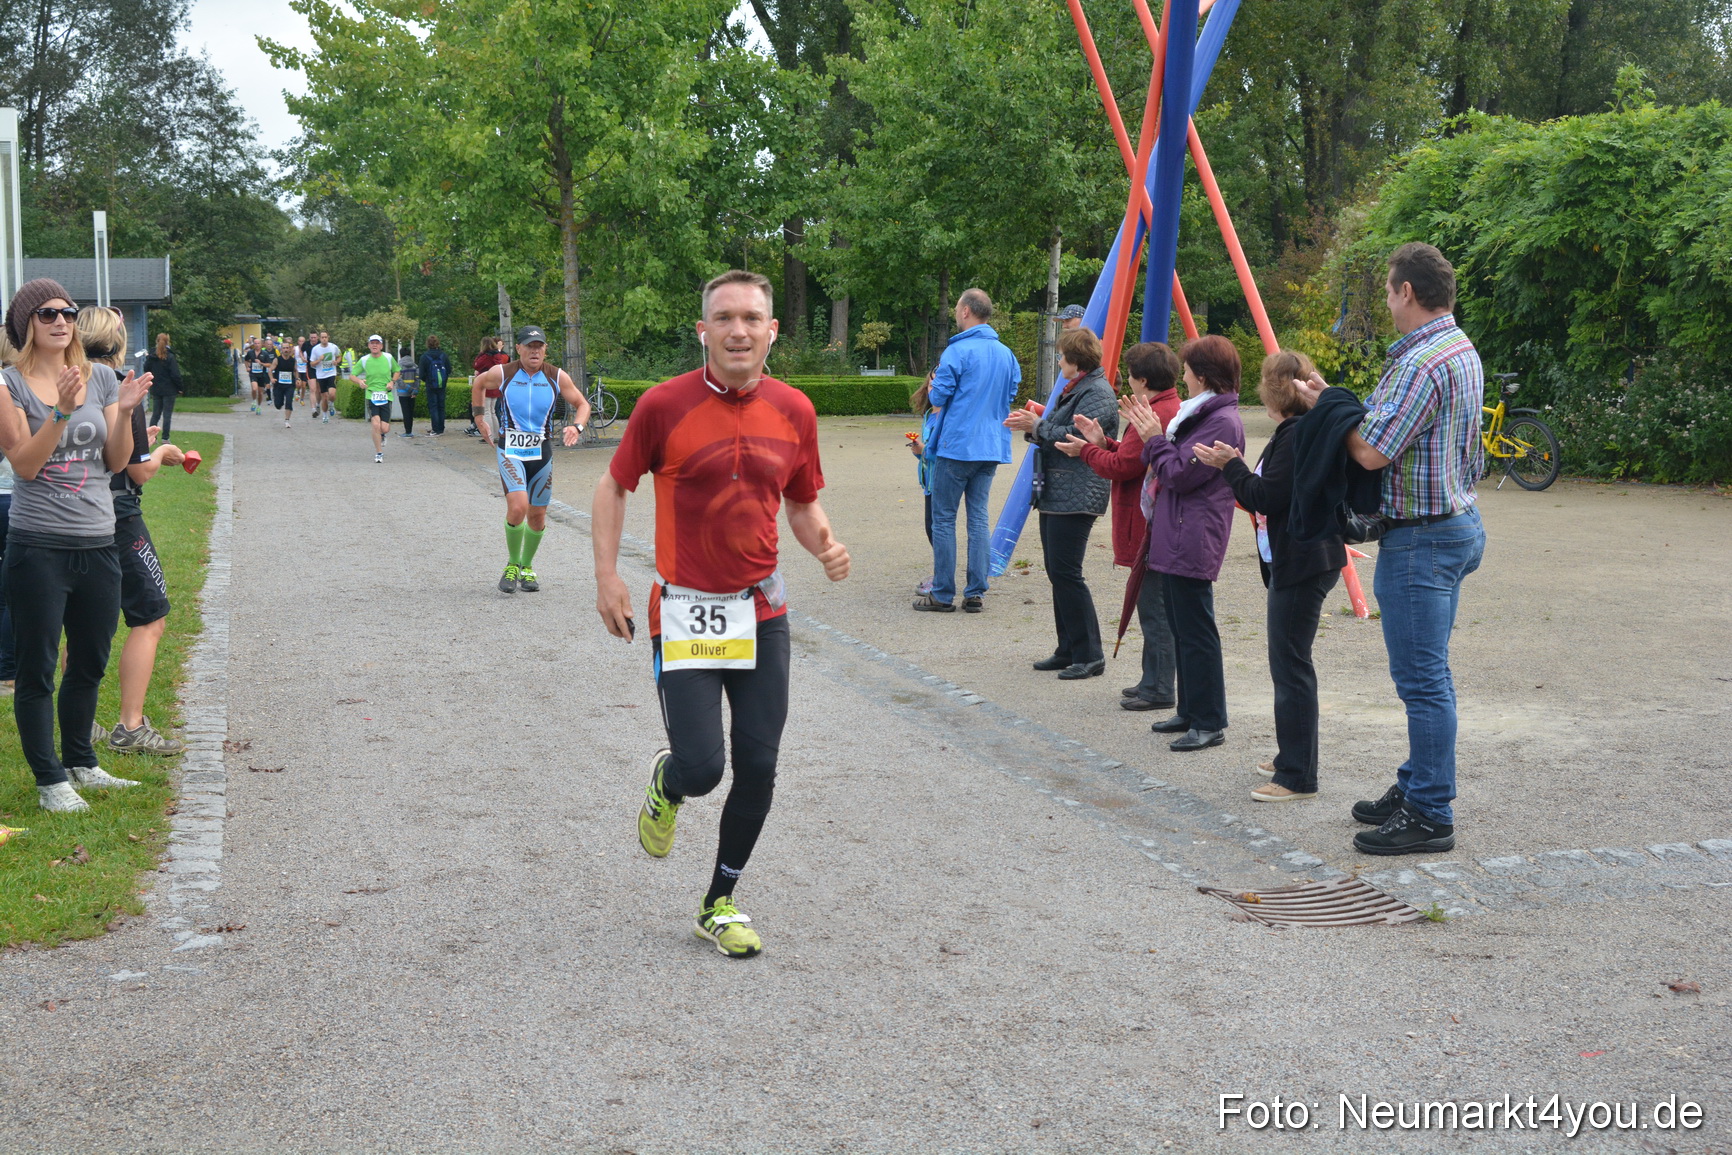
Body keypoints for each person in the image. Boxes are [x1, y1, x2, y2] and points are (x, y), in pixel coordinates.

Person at [593, 269, 850, 960]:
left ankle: (719, 900)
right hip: (686, 611)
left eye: (752, 317)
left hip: (763, 611)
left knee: (759, 765)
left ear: (772, 330)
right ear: (703, 329)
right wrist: (607, 577)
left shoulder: (795, 409)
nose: (739, 329)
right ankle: (669, 779)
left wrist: (823, 541)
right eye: (725, 317)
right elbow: (613, 487)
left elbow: (799, 502)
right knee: (705, 767)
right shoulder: (661, 405)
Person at [1295, 242, 1486, 855]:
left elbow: (1373, 451)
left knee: (1423, 681)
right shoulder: (1459, 349)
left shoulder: (1419, 363)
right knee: (1432, 675)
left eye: (1386, 289)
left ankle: (1431, 812)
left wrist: (1327, 408)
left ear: (1407, 291)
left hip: (1421, 541)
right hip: (1455, 524)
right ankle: (1418, 784)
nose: (1385, 298)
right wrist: (1339, 400)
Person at [0, 280, 150, 811]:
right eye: (46, 314)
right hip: (38, 546)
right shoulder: (9, 384)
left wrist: (128, 409)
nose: (61, 321)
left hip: (98, 541)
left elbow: (115, 461)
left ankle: (82, 763)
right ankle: (50, 780)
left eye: (67, 312)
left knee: (88, 661)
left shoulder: (102, 377)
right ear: (26, 326)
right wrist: (61, 410)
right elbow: (24, 464)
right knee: (37, 668)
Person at [1195, 351, 1344, 801]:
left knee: (1290, 665)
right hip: (1305, 557)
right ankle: (1291, 757)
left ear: (1275, 391)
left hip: (1303, 561)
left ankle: (1298, 775)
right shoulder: (1300, 432)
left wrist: (1230, 467)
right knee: (1290, 662)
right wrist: (1238, 465)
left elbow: (1266, 495)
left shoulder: (1296, 435)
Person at [1124, 335, 1246, 752]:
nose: (1184, 377)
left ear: (1203, 375)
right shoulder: (1199, 414)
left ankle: (1210, 720)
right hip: (1176, 529)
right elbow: (1162, 463)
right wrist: (1151, 437)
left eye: (1189, 370)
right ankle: (1191, 710)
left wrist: (1155, 438)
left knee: (1197, 631)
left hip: (1193, 533)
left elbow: (1178, 474)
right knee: (1181, 626)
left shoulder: (1221, 421)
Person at [80, 307, 186, 756]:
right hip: (120, 518)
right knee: (149, 619)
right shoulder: (124, 386)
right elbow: (136, 471)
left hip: (75, 514)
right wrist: (162, 451)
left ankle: (79, 721)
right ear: (118, 341)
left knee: (83, 624)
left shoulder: (68, 384)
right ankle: (130, 725)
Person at [1057, 340, 1183, 710]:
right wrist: (1105, 442)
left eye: (1130, 376)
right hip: (1151, 521)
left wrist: (1087, 450)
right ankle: (1151, 680)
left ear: (1143, 380)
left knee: (1155, 610)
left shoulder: (1157, 412)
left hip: (1149, 524)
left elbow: (1125, 467)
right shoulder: (1160, 406)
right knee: (1151, 607)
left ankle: (1160, 687)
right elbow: (1131, 456)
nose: (1128, 383)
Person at [1005, 326, 1118, 678]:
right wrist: (1035, 425)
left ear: (1075, 360)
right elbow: (1056, 428)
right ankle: (1068, 647)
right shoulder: (1078, 388)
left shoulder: (1096, 391)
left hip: (1079, 491)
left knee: (1068, 573)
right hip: (1059, 490)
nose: (1058, 360)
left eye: (1061, 355)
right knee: (1058, 572)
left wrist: (1038, 425)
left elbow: (1074, 437)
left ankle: (1089, 654)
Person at [913, 288, 1020, 613]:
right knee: (978, 518)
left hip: (957, 446)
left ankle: (943, 594)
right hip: (991, 446)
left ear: (965, 312)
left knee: (944, 519)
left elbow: (937, 398)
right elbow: (1011, 391)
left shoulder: (956, 353)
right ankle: (975, 593)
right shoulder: (1006, 354)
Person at [471, 326, 590, 592]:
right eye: (529, 346)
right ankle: (512, 566)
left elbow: (583, 405)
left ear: (545, 349)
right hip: (510, 449)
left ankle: (526, 567)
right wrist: (479, 417)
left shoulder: (556, 376)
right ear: (519, 349)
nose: (534, 350)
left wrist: (577, 427)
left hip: (541, 452)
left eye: (539, 346)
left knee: (537, 516)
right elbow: (478, 383)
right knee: (518, 507)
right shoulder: (505, 373)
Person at [906, 371, 938, 596]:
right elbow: (927, 452)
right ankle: (940, 575)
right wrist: (919, 450)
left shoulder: (948, 416)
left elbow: (945, 452)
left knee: (938, 530)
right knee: (931, 529)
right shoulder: (929, 415)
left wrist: (925, 451)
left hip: (942, 481)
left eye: (939, 384)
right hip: (928, 481)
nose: (933, 389)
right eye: (930, 385)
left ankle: (941, 578)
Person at [353, 335, 397, 462]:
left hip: (386, 395)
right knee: (375, 424)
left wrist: (392, 382)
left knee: (384, 428)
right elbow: (352, 375)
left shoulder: (388, 358)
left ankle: (382, 435)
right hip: (371, 395)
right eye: (372, 343)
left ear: (381, 346)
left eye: (377, 343)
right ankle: (379, 453)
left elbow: (397, 371)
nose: (374, 345)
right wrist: (360, 381)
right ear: (368, 345)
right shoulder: (365, 360)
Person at [142, 334, 182, 440]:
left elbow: (146, 368)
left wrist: (148, 358)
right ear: (168, 342)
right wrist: (180, 387)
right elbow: (175, 374)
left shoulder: (151, 356)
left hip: (156, 388)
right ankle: (165, 438)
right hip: (169, 389)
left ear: (156, 341)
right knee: (167, 415)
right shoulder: (170, 356)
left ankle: (151, 437)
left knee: (155, 414)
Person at [469, 336, 509, 437]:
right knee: (493, 411)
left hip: (486, 385)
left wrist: (480, 354)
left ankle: (488, 434)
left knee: (486, 411)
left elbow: (476, 365)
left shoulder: (485, 357)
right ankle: (496, 434)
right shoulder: (498, 356)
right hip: (495, 386)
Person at [418, 335, 452, 436]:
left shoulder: (425, 357)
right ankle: (441, 428)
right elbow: (449, 370)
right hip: (442, 384)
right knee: (441, 406)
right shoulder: (443, 355)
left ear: (427, 344)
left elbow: (421, 374)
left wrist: (427, 380)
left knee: (433, 406)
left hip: (430, 384)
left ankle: (435, 429)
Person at [309, 329, 340, 422]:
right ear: (320, 338)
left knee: (332, 394)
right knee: (324, 397)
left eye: (326, 337)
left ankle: (332, 404)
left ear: (328, 337)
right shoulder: (315, 349)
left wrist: (336, 362)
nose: (324, 339)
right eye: (322, 337)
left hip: (331, 373)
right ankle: (325, 416)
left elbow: (339, 356)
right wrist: (319, 360)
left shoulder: (333, 347)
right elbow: (311, 363)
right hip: (321, 375)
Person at [269, 335, 297, 428]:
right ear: (281, 349)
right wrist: (272, 379)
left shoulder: (293, 360)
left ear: (290, 349)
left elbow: (295, 371)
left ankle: (287, 420)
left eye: (287, 348)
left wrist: (298, 379)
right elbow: (270, 370)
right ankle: (278, 402)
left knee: (289, 401)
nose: (286, 350)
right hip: (279, 385)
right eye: (284, 348)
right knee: (278, 404)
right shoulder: (277, 360)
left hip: (289, 385)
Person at [396, 349, 420, 437]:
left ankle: (407, 432)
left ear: (400, 355)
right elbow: (417, 379)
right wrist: (415, 390)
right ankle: (410, 431)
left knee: (405, 412)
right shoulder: (415, 365)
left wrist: (408, 388)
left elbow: (398, 379)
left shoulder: (398, 366)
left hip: (402, 392)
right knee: (410, 412)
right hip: (413, 392)